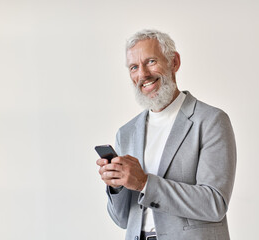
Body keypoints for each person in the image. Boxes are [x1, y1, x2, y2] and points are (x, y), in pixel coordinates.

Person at [96, 29, 236, 240]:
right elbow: (123, 219)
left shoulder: (211, 121)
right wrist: (116, 186)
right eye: (134, 67)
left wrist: (144, 183)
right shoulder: (126, 133)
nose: (142, 74)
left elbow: (215, 204)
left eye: (151, 61)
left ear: (174, 62)